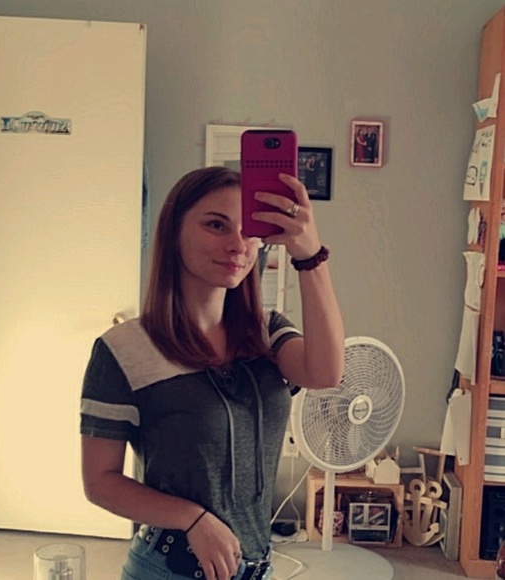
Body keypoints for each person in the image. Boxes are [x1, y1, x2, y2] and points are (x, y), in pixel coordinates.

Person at [80, 166, 345, 580]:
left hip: (257, 567)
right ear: (175, 232)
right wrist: (191, 518)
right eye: (216, 225)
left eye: (249, 232)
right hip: (169, 567)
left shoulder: (267, 332)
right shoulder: (123, 350)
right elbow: (100, 482)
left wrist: (310, 256)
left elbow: (326, 372)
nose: (237, 245)